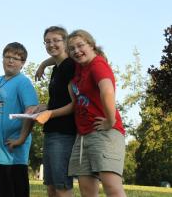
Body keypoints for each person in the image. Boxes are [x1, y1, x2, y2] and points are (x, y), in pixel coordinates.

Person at [34, 30, 127, 197]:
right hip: (83, 136)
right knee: (87, 191)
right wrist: (43, 64)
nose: (76, 51)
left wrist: (110, 120)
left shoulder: (97, 64)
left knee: (111, 187)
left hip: (104, 133)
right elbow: (59, 56)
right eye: (72, 48)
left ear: (91, 45)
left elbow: (107, 91)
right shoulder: (79, 67)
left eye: (80, 46)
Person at [0, 42, 38, 197]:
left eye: (16, 58)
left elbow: (31, 111)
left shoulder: (23, 82)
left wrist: (22, 138)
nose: (11, 61)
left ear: (22, 63)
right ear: (3, 59)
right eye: (8, 57)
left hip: (11, 151)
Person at [30, 26, 77, 197]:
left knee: (62, 187)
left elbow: (74, 104)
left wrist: (49, 114)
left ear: (66, 42)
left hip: (64, 133)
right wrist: (42, 108)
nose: (51, 44)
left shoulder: (70, 66)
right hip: (51, 132)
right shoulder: (57, 68)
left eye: (56, 40)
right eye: (48, 41)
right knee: (50, 187)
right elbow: (58, 100)